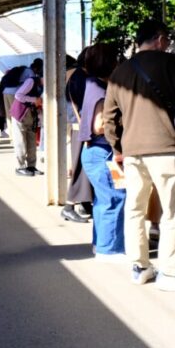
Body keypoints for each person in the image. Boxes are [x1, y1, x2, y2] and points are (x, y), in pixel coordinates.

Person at [102, 20, 175, 292]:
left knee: (135, 209)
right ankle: (170, 272)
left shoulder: (119, 72)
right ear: (160, 39)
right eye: (168, 39)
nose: (169, 44)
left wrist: (118, 148)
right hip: (164, 149)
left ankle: (140, 266)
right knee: (174, 210)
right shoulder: (169, 63)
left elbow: (109, 117)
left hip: (133, 153)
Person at [79, 44, 125, 260]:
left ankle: (102, 244)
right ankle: (110, 249)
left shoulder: (91, 84)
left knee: (105, 199)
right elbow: (99, 125)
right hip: (104, 153)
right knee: (115, 198)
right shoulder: (101, 89)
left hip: (96, 153)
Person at [62, 49, 93, 222]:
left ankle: (84, 202)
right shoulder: (81, 76)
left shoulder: (77, 74)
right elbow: (83, 104)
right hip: (82, 126)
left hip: (79, 125)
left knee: (83, 166)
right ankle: (69, 206)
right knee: (79, 166)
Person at [11, 58, 43, 176]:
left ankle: (31, 166)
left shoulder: (45, 86)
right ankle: (20, 167)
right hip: (21, 114)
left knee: (31, 141)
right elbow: (18, 95)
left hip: (32, 115)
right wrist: (34, 100)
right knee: (20, 141)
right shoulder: (31, 81)